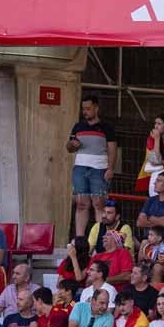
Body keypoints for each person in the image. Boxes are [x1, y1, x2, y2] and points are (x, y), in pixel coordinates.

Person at [67, 94, 117, 238]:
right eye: (83, 109)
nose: (85, 112)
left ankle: (100, 238)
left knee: (98, 203)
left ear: (96, 108)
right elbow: (69, 148)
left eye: (88, 109)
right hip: (80, 167)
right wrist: (71, 144)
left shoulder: (106, 127)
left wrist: (110, 168)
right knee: (81, 203)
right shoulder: (78, 126)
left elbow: (112, 149)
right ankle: (80, 239)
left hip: (99, 169)